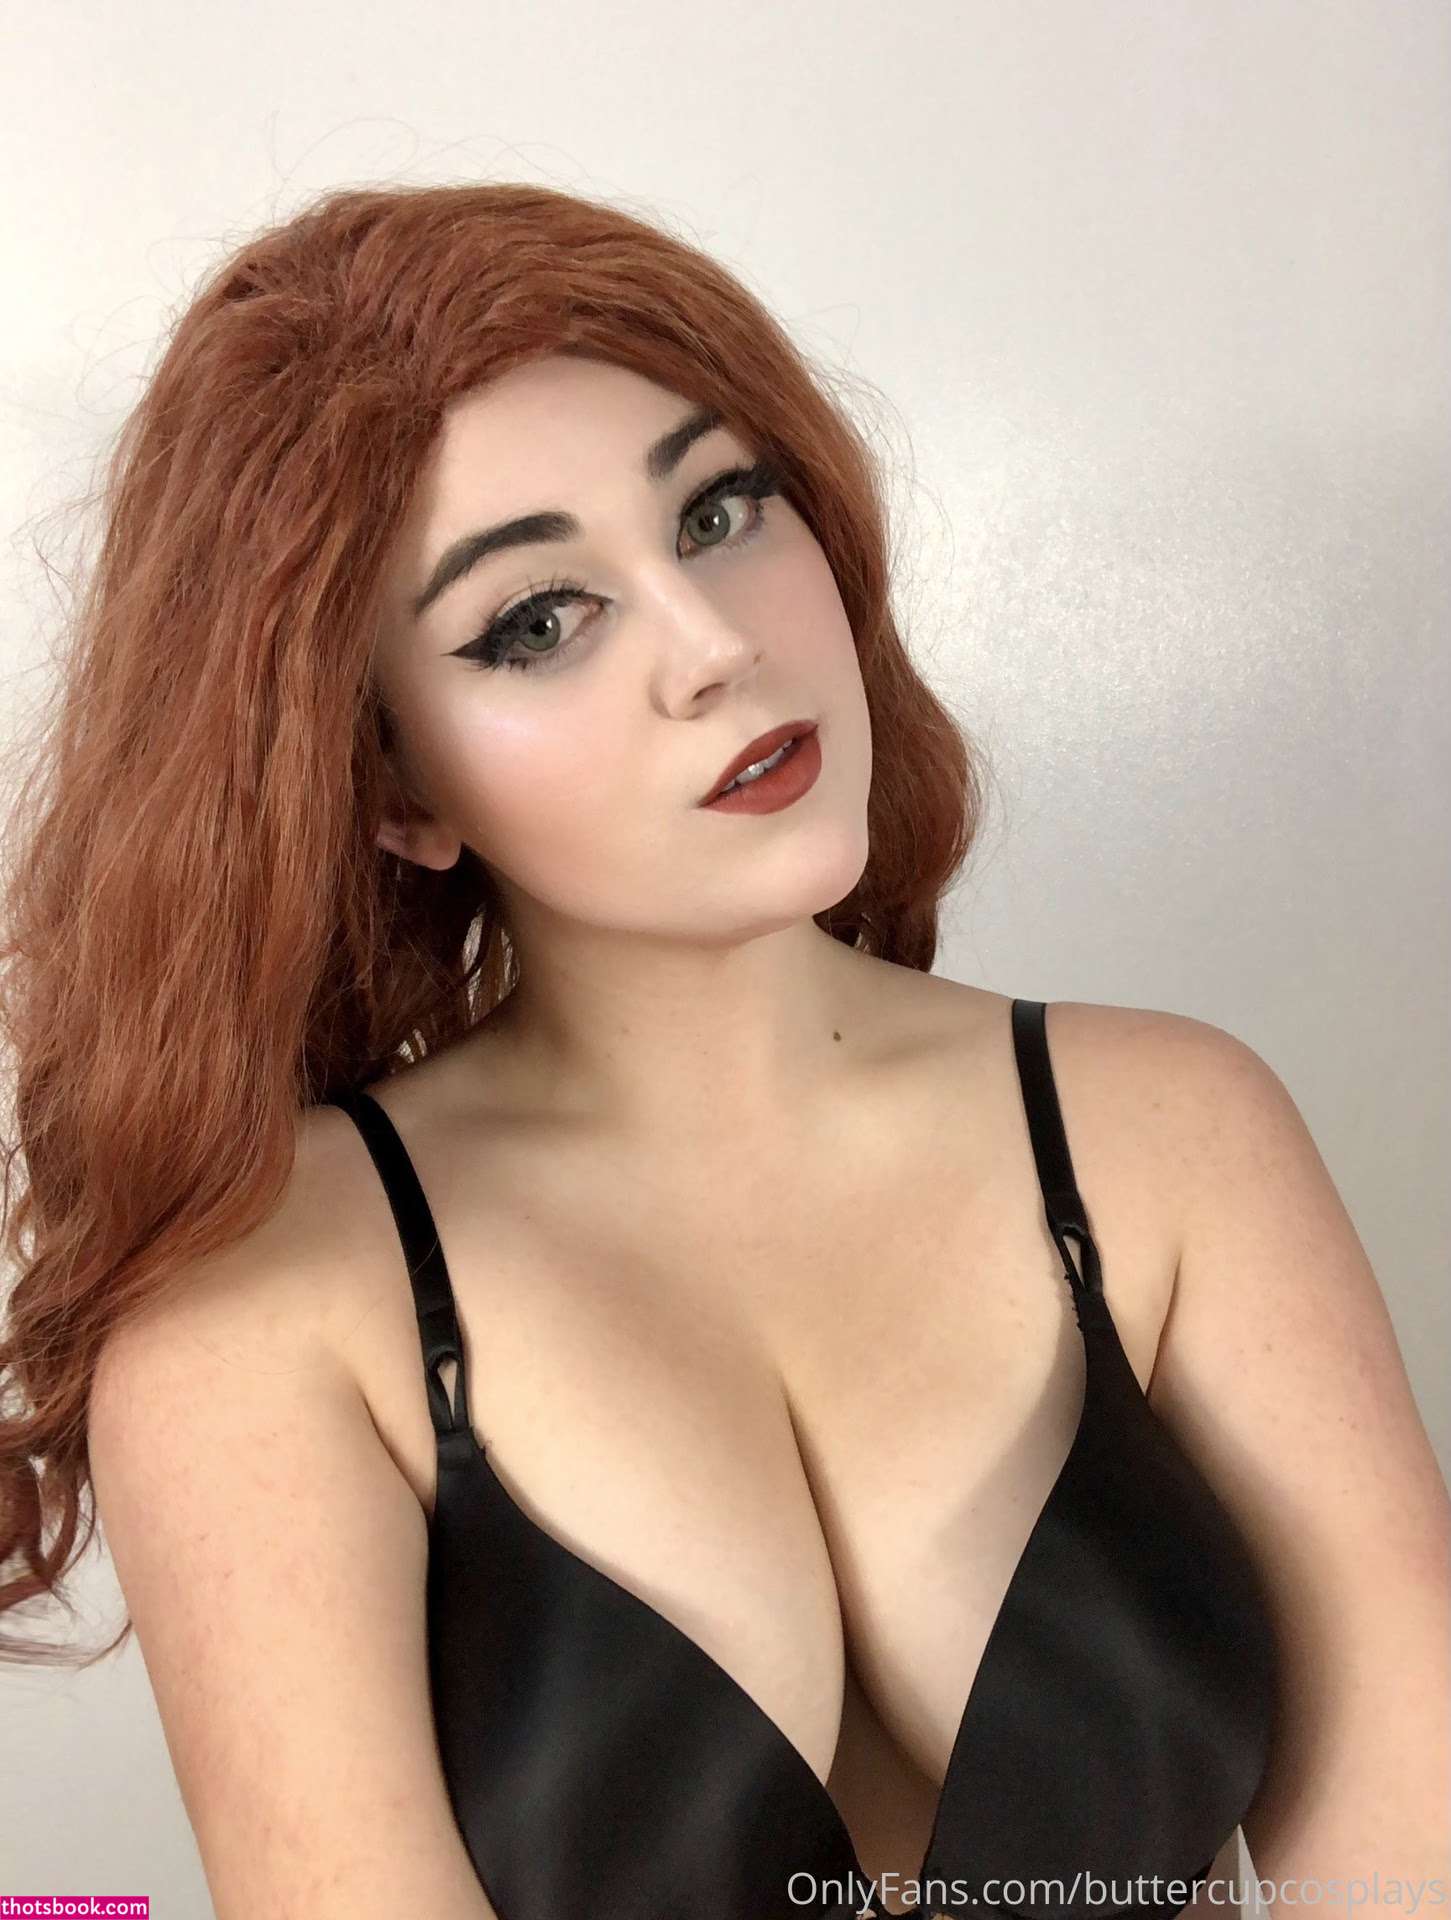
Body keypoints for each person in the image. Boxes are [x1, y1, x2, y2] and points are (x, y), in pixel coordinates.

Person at [1, 182, 1445, 1920]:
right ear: (388, 786)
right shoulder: (274, 1296)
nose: (716, 646)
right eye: (538, 620)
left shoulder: (1169, 1136)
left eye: (717, 511)